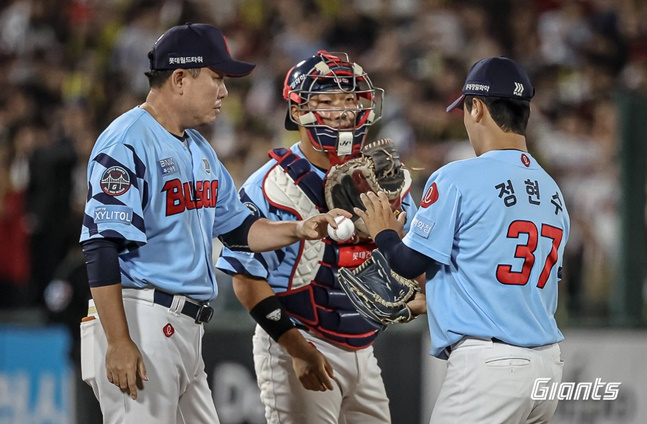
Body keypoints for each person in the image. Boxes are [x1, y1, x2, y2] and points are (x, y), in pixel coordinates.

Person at [78, 24, 346, 424]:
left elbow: (238, 230)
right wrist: (119, 341)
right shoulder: (127, 141)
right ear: (181, 78)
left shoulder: (199, 148)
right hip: (141, 317)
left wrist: (300, 228)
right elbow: (100, 246)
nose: (224, 92)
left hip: (184, 327)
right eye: (217, 78)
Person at [354, 57, 570, 423]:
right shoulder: (553, 190)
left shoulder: (458, 176)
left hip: (491, 370)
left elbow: (406, 262)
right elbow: (515, 280)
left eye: (466, 110)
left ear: (477, 107)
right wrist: (438, 299)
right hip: (547, 367)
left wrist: (383, 232)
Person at [216, 50, 425, 424]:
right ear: (297, 111)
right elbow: (245, 279)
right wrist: (295, 348)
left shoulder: (383, 176)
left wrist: (414, 295)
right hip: (301, 338)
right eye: (326, 101)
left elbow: (405, 256)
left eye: (350, 99)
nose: (343, 110)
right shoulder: (272, 185)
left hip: (365, 348)